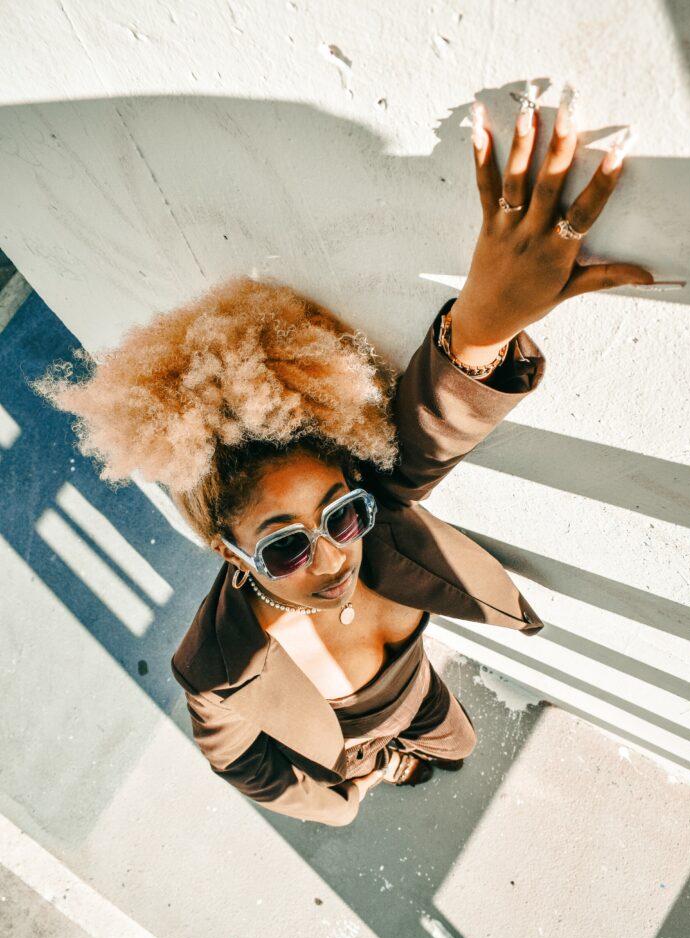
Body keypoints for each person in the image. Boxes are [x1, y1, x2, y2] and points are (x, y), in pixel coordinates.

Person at [36, 90, 656, 826]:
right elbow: (243, 765)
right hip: (354, 750)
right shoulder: (217, 668)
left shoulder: (376, 513)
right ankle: (396, 768)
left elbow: (428, 431)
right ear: (230, 552)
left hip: (420, 696)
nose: (334, 557)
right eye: (286, 547)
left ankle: (421, 753)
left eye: (342, 516)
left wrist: (484, 324)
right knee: (404, 769)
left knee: (457, 746)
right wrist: (349, 797)